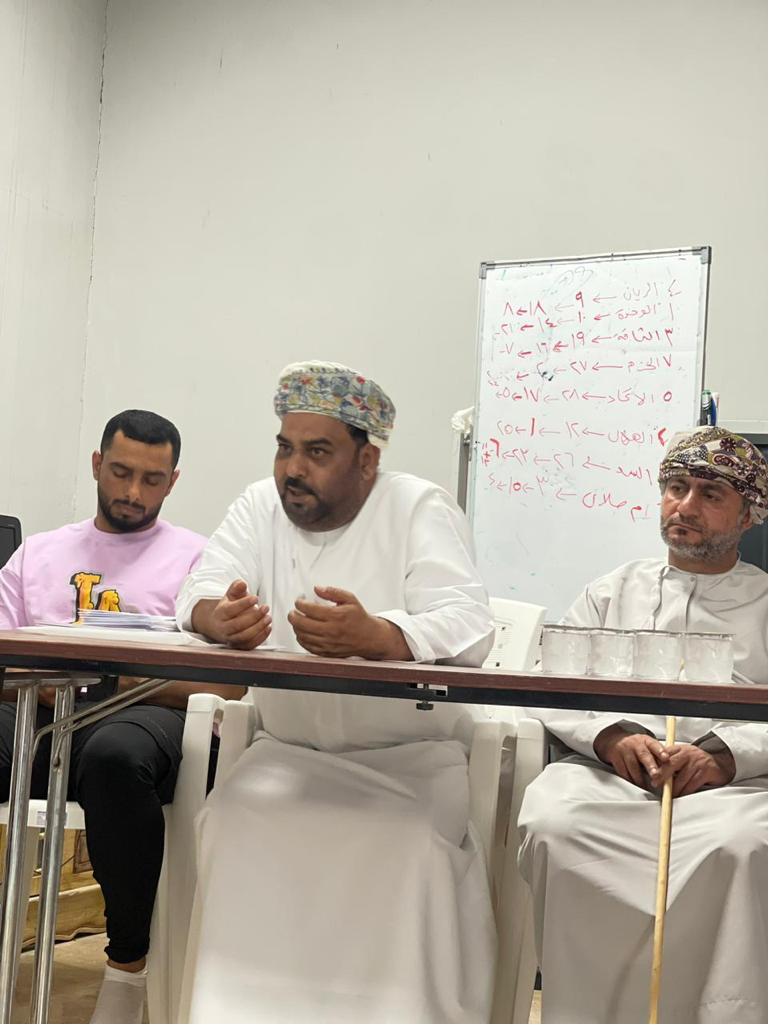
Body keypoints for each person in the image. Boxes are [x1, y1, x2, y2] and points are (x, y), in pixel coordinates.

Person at [175, 360, 496, 1023]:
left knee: (404, 844)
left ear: (367, 460)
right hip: (286, 755)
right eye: (285, 448)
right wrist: (215, 616)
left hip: (410, 764)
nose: (293, 469)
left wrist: (380, 634)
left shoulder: (417, 505)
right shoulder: (257, 506)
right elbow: (201, 587)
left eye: (317, 452)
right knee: (234, 821)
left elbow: (469, 623)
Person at [518, 427, 768, 1024]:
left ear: (749, 515)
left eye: (710, 494)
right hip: (608, 780)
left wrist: (725, 754)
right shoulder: (611, 591)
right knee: (555, 823)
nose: (685, 506)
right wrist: (613, 738)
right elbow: (549, 680)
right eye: (675, 488)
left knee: (743, 844)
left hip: (732, 789)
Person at [0, 409, 242, 1024]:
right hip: (42, 712)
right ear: (96, 465)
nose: (133, 491)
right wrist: (46, 682)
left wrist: (126, 686)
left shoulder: (202, 562)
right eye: (120, 472)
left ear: (173, 481)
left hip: (144, 718)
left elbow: (231, 684)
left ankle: (127, 966)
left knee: (117, 757)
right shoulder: (38, 554)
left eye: (152, 480)